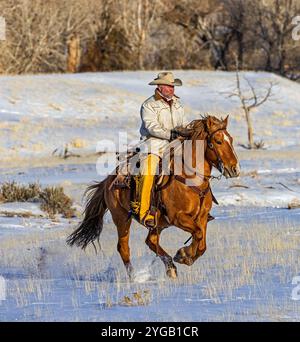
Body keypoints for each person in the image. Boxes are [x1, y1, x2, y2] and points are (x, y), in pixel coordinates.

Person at [138, 71, 190, 227]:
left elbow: (184, 123)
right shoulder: (149, 104)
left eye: (173, 86)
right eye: (168, 86)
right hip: (154, 146)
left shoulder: (178, 104)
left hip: (175, 146)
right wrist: (171, 134)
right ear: (159, 87)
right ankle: (144, 212)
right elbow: (151, 127)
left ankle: (199, 207)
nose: (172, 89)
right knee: (147, 174)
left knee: (196, 168)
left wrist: (188, 132)